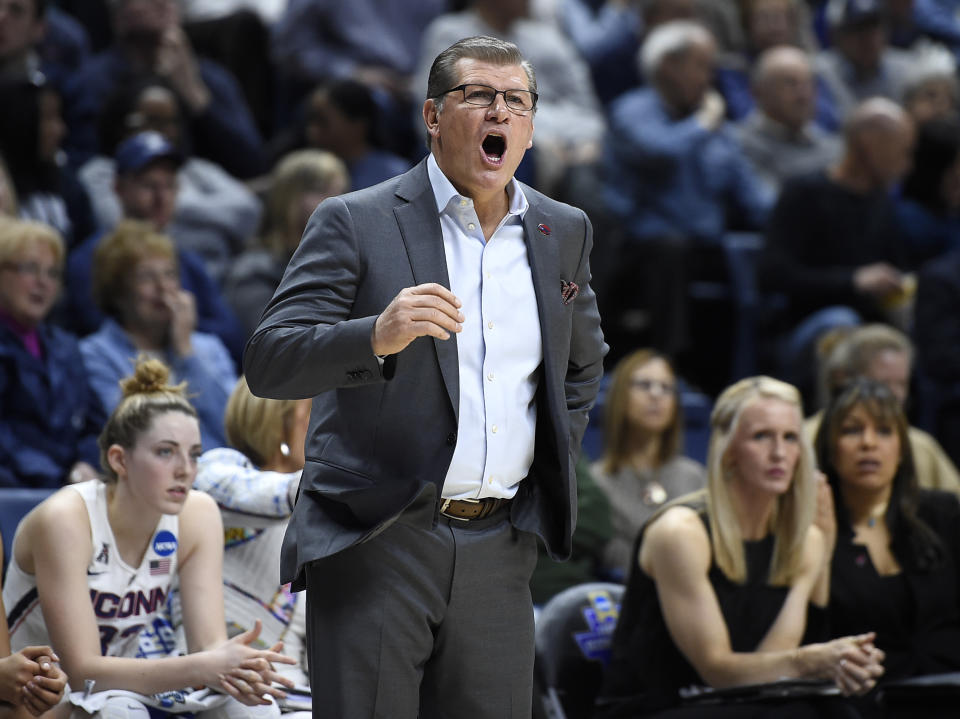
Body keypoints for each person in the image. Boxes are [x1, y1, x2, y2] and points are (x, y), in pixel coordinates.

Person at [243, 35, 606, 719]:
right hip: (380, 538)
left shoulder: (564, 230)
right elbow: (270, 359)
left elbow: (582, 364)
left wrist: (536, 468)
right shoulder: (355, 220)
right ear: (433, 115)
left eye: (516, 101)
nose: (499, 111)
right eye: (479, 96)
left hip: (501, 545)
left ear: (529, 127)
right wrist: (375, 335)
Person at [2, 357, 295, 719]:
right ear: (119, 460)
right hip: (38, 701)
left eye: (194, 455)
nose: (185, 470)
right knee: (120, 711)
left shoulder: (197, 513)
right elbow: (81, 673)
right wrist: (207, 665)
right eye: (165, 452)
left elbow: (208, 645)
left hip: (122, 690)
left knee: (253, 711)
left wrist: (239, 668)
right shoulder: (65, 519)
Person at [597, 376, 885, 717]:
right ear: (729, 451)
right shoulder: (680, 532)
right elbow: (717, 670)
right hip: (660, 706)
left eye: (790, 437)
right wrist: (813, 661)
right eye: (761, 436)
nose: (779, 452)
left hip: (740, 702)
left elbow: (768, 669)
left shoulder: (806, 541)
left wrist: (845, 663)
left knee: (842, 710)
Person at [814, 379, 960, 716]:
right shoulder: (816, 530)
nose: (868, 443)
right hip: (865, 701)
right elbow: (813, 635)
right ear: (830, 448)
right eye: (852, 431)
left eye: (884, 431)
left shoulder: (944, 514)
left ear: (902, 449)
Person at [192, 377, 312, 691]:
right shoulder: (218, 467)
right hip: (218, 672)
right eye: (314, 410)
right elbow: (257, 495)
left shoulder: (321, 509)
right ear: (278, 420)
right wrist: (335, 477)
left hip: (291, 681)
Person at [80, 220, 236, 450]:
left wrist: (186, 352)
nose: (163, 287)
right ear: (118, 292)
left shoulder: (207, 348)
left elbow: (235, 427)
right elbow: (128, 430)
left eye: (169, 274)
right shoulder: (95, 354)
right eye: (146, 277)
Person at [0, 218, 103, 488]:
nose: (42, 282)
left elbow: (97, 425)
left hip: (70, 487)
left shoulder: (66, 347)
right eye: (29, 269)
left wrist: (85, 464)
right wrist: (58, 478)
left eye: (52, 273)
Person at [591, 349, 705, 579]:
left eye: (666, 388)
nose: (656, 395)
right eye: (644, 385)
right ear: (620, 397)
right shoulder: (596, 481)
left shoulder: (694, 476)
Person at [808, 323, 960, 495]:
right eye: (884, 383)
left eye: (901, 384)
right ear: (843, 379)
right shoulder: (805, 437)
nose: (896, 394)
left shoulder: (921, 446)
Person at [222, 149, 349, 340]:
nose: (336, 201)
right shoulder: (253, 272)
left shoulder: (345, 263)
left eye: (340, 192)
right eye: (321, 190)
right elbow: (268, 343)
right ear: (290, 197)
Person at [736, 45, 842, 193]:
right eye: (791, 84)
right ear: (758, 92)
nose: (803, 95)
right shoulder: (740, 147)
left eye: (807, 83)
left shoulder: (832, 147)